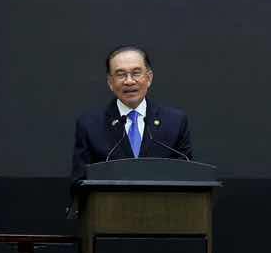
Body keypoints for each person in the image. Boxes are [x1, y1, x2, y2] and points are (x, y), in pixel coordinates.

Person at [71, 46, 192, 182]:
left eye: (136, 73)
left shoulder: (175, 122)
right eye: (121, 74)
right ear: (110, 82)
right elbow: (79, 182)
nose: (129, 81)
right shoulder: (90, 125)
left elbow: (187, 178)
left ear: (149, 78)